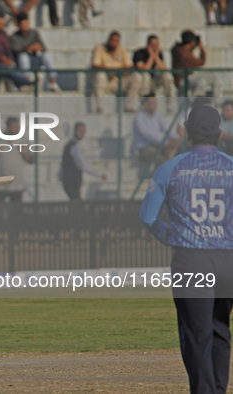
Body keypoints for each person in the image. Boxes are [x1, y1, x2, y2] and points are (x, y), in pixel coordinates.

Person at [139, 105, 233, 394]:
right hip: (228, 258)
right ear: (219, 134)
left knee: (196, 334)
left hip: (191, 259)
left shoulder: (170, 168)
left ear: (188, 133)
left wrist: (169, 235)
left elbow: (148, 216)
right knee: (220, 328)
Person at [91, 30, 142, 113]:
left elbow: (130, 66)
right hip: (106, 81)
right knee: (100, 75)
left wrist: (126, 71)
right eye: (112, 40)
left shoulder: (121, 50)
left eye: (116, 41)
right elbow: (95, 65)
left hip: (119, 80)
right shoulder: (100, 48)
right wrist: (110, 70)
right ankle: (99, 106)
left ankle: (128, 106)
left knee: (137, 76)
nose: (114, 43)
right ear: (108, 40)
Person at [10, 12, 60, 92]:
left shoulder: (34, 33)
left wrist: (37, 47)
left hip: (34, 59)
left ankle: (53, 82)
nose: (25, 26)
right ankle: (27, 83)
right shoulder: (14, 36)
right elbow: (15, 52)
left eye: (26, 23)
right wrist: (26, 49)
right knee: (23, 56)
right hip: (21, 63)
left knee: (46, 55)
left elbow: (43, 48)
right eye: (22, 24)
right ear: (18, 25)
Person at [0, 117, 34, 202]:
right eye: (15, 127)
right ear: (8, 127)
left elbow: (31, 161)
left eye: (18, 127)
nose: (17, 130)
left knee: (17, 213)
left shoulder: (23, 140)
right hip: (0, 185)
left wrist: (24, 153)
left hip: (17, 185)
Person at [133, 94, 180, 173]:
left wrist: (177, 138)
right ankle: (158, 176)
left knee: (176, 149)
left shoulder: (157, 115)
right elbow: (149, 136)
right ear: (145, 105)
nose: (155, 105)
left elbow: (165, 129)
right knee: (160, 159)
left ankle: (165, 173)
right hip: (145, 148)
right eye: (152, 103)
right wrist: (167, 142)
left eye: (155, 103)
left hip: (159, 145)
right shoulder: (139, 118)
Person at [60, 122, 107, 200]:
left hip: (69, 181)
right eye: (80, 131)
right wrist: (99, 174)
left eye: (83, 132)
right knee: (77, 204)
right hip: (72, 181)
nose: (82, 134)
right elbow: (82, 165)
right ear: (75, 131)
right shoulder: (75, 146)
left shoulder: (70, 145)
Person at [132, 34, 176, 112]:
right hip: (143, 82)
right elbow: (145, 69)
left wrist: (156, 56)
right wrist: (151, 56)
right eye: (153, 45)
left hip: (154, 81)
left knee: (167, 76)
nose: (155, 47)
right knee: (146, 76)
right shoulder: (139, 53)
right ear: (148, 45)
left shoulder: (158, 53)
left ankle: (170, 103)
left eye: (156, 44)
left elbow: (163, 68)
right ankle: (144, 104)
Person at [171, 30, 207, 97]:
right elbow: (201, 62)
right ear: (191, 42)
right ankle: (195, 103)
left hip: (182, 79)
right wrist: (201, 49)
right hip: (182, 80)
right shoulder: (185, 53)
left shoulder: (177, 49)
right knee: (200, 83)